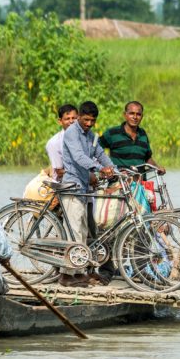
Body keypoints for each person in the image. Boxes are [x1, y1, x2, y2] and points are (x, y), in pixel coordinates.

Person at [60, 100, 116, 287]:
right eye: (86, 120)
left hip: (84, 189)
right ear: (79, 117)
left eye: (92, 120)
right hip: (72, 185)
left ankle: (78, 273)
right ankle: (67, 275)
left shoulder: (91, 135)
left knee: (83, 233)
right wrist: (100, 169)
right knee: (74, 232)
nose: (89, 123)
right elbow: (79, 157)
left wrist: (114, 169)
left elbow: (100, 153)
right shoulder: (71, 133)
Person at [99, 100, 165, 175]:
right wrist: (104, 168)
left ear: (142, 117)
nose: (135, 117)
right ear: (125, 115)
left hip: (139, 183)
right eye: (131, 113)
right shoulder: (112, 133)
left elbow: (147, 158)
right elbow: (95, 151)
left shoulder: (143, 134)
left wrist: (157, 168)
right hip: (119, 182)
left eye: (138, 114)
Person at [45, 103, 78, 181]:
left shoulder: (86, 137)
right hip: (64, 186)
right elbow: (59, 172)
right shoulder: (54, 143)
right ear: (60, 121)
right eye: (67, 119)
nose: (71, 121)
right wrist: (86, 176)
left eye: (74, 118)